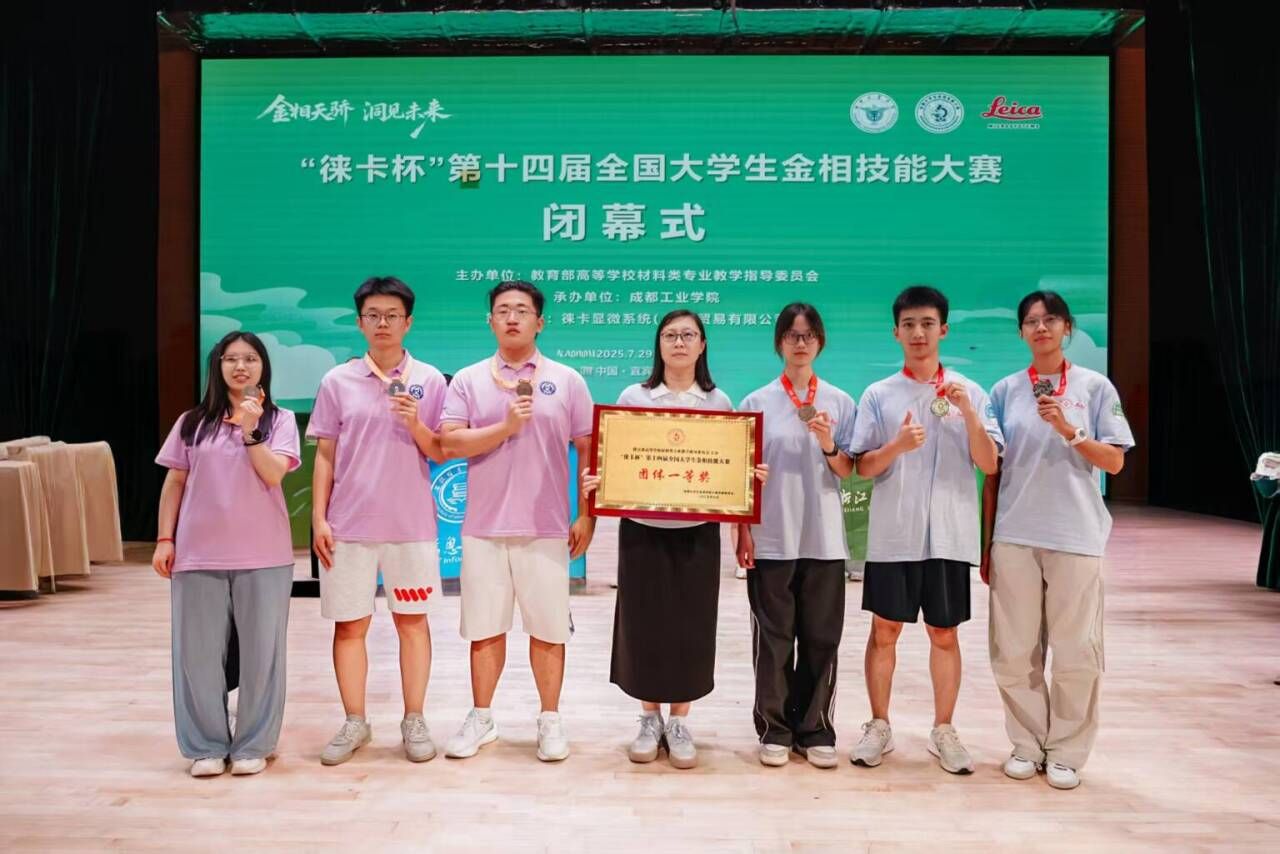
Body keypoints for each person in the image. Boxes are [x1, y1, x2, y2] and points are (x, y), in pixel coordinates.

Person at [582, 310, 766, 769]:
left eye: (688, 335)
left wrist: (747, 479)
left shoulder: (719, 402)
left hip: (697, 534)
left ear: (702, 345)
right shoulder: (634, 397)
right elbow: (616, 459)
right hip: (642, 531)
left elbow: (730, 469)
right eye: (670, 335)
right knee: (642, 623)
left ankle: (680, 721)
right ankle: (649, 718)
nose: (679, 342)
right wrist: (599, 480)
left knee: (692, 625)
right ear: (658, 344)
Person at [982, 290, 1133, 790]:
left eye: (1050, 320)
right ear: (1021, 332)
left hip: (1075, 536)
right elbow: (993, 473)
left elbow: (1115, 461)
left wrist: (1070, 430)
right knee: (1014, 650)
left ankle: (1067, 751)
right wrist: (987, 544)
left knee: (1076, 650)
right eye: (1031, 321)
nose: (1041, 328)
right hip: (1015, 536)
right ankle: (1026, 744)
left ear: (1067, 328)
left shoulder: (1094, 387)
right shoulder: (1005, 391)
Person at [439, 281, 595, 763]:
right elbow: (450, 441)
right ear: (490, 321)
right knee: (484, 629)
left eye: (522, 310)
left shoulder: (567, 380)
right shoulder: (468, 380)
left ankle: (550, 719)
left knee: (549, 629)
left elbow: (588, 447)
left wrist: (586, 514)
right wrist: (505, 427)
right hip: (483, 527)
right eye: (503, 310)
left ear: (539, 322)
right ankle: (482, 717)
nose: (512, 318)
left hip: (545, 526)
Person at [848, 285, 1002, 774]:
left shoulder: (969, 391)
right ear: (896, 332)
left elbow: (989, 463)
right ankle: (879, 725)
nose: (919, 333)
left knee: (944, 632)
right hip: (894, 533)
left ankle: (944, 729)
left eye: (928, 324)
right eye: (909, 324)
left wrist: (969, 413)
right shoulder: (879, 394)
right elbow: (862, 467)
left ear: (944, 330)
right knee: (885, 629)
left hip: (949, 534)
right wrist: (896, 446)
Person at [308, 276, 449, 766]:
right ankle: (355, 721)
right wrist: (318, 518)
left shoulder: (430, 380)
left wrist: (414, 422)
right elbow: (325, 454)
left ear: (408, 322)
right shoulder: (337, 381)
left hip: (410, 526)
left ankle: (414, 719)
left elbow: (439, 450)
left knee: (412, 624)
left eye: (392, 315)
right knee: (350, 626)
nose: (382, 323)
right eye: (373, 315)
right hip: (348, 526)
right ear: (359, 322)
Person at [153, 331, 300, 777]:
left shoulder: (279, 420)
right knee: (196, 656)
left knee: (262, 655)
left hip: (264, 555)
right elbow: (175, 483)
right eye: (231, 359)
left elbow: (273, 474)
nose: (241, 366)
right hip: (198, 554)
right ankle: (205, 746)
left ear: (263, 367)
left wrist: (251, 431)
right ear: (217, 367)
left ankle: (255, 744)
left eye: (250, 359)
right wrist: (165, 539)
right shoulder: (192, 423)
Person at [736, 303, 856, 769]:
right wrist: (743, 534)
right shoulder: (756, 403)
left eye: (808, 335)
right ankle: (775, 728)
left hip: (824, 539)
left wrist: (828, 443)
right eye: (792, 335)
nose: (800, 343)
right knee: (773, 639)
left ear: (820, 342)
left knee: (822, 638)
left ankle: (815, 727)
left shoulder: (840, 402)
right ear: (779, 343)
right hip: (772, 538)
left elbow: (848, 470)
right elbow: (740, 478)